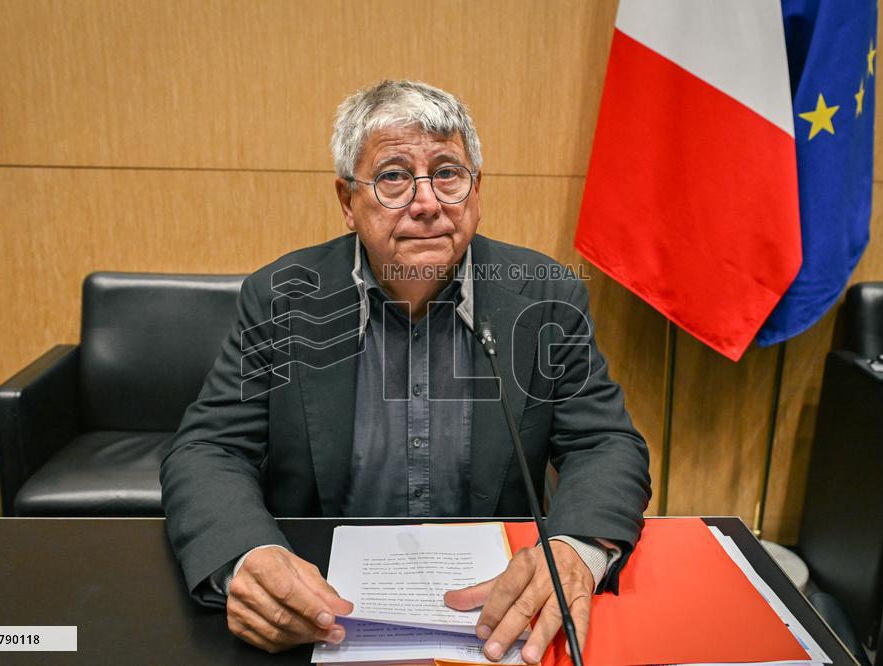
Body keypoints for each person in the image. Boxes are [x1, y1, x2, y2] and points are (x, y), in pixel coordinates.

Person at [160, 80, 651, 663]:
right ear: (347, 201)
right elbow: (208, 449)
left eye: (448, 172)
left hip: (498, 610)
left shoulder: (545, 294)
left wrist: (576, 549)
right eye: (393, 176)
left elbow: (605, 443)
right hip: (322, 608)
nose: (427, 201)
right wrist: (246, 556)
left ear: (475, 190)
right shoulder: (282, 297)